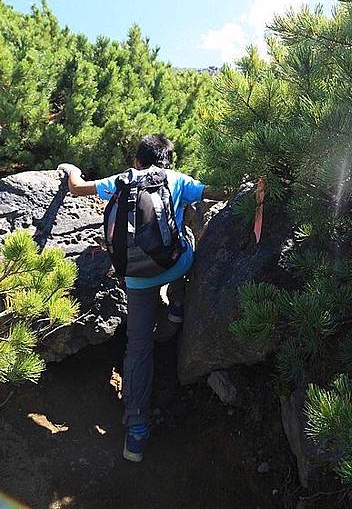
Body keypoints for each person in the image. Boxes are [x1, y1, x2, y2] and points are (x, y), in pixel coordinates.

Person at [57, 133, 226, 462]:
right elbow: (218, 191)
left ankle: (136, 432)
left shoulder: (119, 181)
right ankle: (178, 304)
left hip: (135, 279)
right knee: (189, 237)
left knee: (138, 348)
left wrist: (70, 169)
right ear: (168, 161)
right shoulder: (176, 179)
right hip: (174, 267)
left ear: (137, 161)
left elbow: (78, 188)